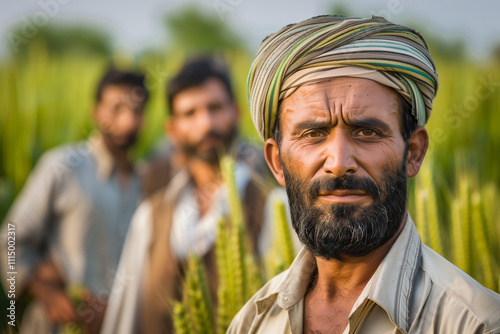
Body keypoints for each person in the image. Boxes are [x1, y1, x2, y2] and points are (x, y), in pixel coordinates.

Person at [228, 15, 500, 334]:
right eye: (313, 133)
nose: (340, 162)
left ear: (413, 153)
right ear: (277, 163)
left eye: (367, 132)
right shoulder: (252, 323)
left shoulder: (477, 325)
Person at [101, 56, 272, 334]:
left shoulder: (274, 208)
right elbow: (125, 315)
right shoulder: (150, 215)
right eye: (190, 113)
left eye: (215, 108)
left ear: (236, 113)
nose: (206, 123)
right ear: (172, 129)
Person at [0, 67, 148, 333]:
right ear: (96, 112)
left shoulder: (146, 183)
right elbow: (10, 238)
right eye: (117, 109)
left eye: (136, 112)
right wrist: (44, 290)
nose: (127, 121)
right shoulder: (62, 168)